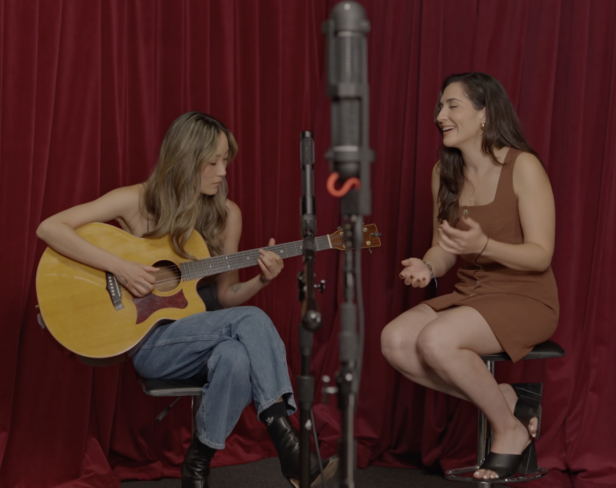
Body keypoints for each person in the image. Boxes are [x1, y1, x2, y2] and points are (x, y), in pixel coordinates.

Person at [37, 111, 337, 488]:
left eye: (226, 160)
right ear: (184, 159)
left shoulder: (227, 215)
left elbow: (227, 297)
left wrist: (261, 279)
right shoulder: (136, 200)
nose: (223, 171)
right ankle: (290, 449)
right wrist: (122, 268)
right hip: (150, 342)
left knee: (235, 355)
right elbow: (49, 227)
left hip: (203, 336)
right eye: (212, 162)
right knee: (253, 321)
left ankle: (196, 466)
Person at [380, 73, 559, 481]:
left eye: (452, 105)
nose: (441, 115)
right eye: (440, 107)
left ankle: (509, 430)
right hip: (471, 294)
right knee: (394, 341)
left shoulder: (523, 166)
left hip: (526, 297)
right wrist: (427, 266)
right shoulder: (444, 173)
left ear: (484, 114)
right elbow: (443, 248)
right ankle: (505, 399)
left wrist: (483, 247)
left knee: (435, 339)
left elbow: (540, 255)